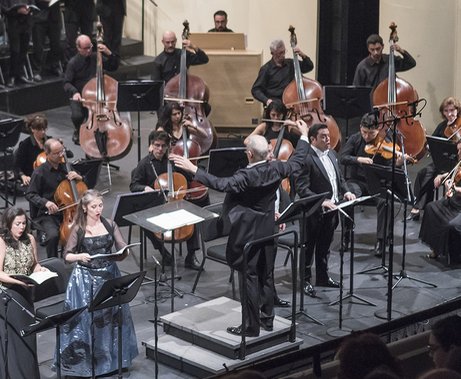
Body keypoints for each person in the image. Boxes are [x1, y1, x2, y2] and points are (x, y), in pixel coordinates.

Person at [170, 119, 310, 337]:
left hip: (247, 233)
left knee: (249, 278)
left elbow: (221, 184)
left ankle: (250, 327)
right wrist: (304, 135)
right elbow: (299, 160)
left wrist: (194, 169)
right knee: (267, 274)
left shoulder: (246, 175)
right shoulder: (277, 168)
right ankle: (267, 320)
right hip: (268, 228)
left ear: (249, 154)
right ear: (267, 153)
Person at [58, 189, 137, 375]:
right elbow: (66, 255)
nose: (98, 209)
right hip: (85, 280)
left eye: (100, 205)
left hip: (109, 276)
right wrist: (79, 256)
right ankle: (87, 364)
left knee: (112, 319)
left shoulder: (110, 224)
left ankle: (112, 362)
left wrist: (124, 251)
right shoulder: (78, 228)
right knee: (88, 322)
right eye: (94, 206)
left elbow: (121, 247)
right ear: (85, 208)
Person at [292, 124, 355, 297]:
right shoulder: (306, 158)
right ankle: (305, 281)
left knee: (324, 246)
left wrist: (347, 191)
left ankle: (322, 277)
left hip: (332, 210)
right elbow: (302, 188)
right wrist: (322, 202)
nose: (328, 139)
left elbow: (339, 178)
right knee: (308, 247)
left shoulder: (332, 153)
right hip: (313, 211)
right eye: (323, 137)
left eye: (328, 136)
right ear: (312, 139)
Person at [129, 130, 203, 268]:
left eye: (163, 146)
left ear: (168, 146)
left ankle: (191, 255)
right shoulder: (145, 164)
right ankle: (164, 253)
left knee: (193, 216)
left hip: (174, 203)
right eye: (157, 145)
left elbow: (189, 177)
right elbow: (134, 185)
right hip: (154, 205)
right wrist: (146, 188)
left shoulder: (172, 161)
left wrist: (185, 164)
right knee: (145, 222)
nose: (160, 149)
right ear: (151, 145)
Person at [0, 206, 47, 379]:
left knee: (27, 338)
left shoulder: (29, 238)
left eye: (24, 223)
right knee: (13, 340)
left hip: (25, 291)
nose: (21, 227)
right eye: (17, 224)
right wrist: (18, 281)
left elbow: (34, 263)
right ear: (8, 224)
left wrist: (39, 269)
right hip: (6, 294)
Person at [338, 113, 400, 257]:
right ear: (360, 128)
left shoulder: (386, 141)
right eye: (364, 132)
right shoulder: (355, 139)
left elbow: (391, 167)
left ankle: (380, 241)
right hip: (356, 181)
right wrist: (358, 159)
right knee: (348, 200)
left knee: (385, 202)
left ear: (378, 130)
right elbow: (343, 158)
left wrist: (398, 163)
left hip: (377, 183)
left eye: (371, 133)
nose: (367, 136)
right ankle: (346, 237)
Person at [419, 136, 461, 267]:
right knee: (431, 208)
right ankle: (437, 249)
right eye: (458, 150)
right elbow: (454, 173)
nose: (459, 153)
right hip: (457, 203)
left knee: (452, 225)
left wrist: (456, 190)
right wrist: (442, 176)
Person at [410, 97, 461, 220]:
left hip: (456, 164)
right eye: (446, 111)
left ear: (457, 110)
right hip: (441, 161)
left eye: (452, 110)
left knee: (432, 177)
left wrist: (455, 131)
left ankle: (432, 208)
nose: (449, 114)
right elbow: (430, 141)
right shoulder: (442, 126)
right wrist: (428, 145)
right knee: (423, 173)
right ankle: (421, 205)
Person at [25, 138, 82, 257]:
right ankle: (54, 263)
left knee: (86, 231)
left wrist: (79, 177)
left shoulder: (66, 167)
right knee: (53, 236)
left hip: (68, 212)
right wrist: (46, 203)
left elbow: (83, 184)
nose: (61, 155)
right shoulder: (39, 172)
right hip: (48, 215)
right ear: (47, 154)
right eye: (56, 153)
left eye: (62, 152)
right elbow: (30, 194)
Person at [63, 34, 119, 145]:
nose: (89, 50)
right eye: (85, 48)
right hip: (81, 96)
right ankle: (77, 130)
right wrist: (75, 92)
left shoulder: (96, 57)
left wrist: (109, 53)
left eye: (90, 47)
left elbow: (114, 67)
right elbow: (66, 83)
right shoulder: (73, 63)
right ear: (78, 48)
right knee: (77, 116)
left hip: (99, 95)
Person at [28, 0, 63, 79]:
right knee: (38, 46)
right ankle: (36, 71)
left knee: (56, 44)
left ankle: (54, 66)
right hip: (40, 15)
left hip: (54, 15)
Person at [251, 38, 313, 107]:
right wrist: (267, 100)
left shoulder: (290, 64)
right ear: (272, 53)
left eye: (284, 52)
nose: (283, 55)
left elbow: (309, 67)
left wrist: (302, 54)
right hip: (275, 106)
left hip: (291, 105)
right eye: (280, 53)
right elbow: (255, 90)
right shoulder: (266, 69)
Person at [0, 0, 34, 87]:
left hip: (26, 23)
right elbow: (4, 9)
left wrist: (29, 10)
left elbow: (32, 3)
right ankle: (12, 76)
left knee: (24, 50)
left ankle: (20, 74)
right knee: (15, 50)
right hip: (13, 23)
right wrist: (17, 11)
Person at [352, 33, 417, 92]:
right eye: (372, 50)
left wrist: (401, 51)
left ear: (383, 46)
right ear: (368, 49)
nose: (376, 53)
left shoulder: (390, 60)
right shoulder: (362, 66)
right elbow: (356, 90)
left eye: (378, 49)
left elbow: (411, 63)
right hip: (371, 103)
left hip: (389, 101)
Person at [13, 114, 49, 186]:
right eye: (39, 129)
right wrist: (23, 176)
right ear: (32, 129)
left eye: (44, 129)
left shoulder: (49, 141)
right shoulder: (26, 144)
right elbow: (17, 166)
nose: (43, 132)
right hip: (32, 175)